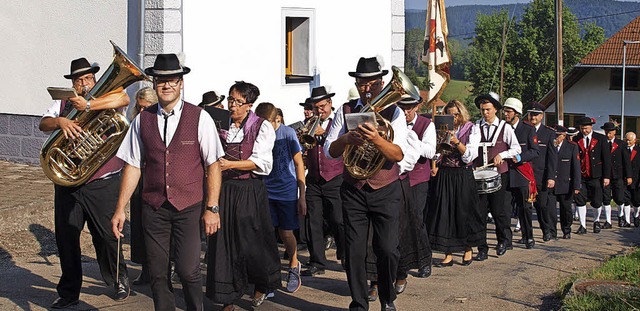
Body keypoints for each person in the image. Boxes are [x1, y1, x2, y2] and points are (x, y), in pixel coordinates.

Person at [111, 53, 224, 311]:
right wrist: (120, 209)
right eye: (161, 80)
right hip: (154, 208)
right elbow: (132, 165)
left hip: (189, 207)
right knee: (158, 274)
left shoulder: (200, 117)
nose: (167, 85)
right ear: (154, 83)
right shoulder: (142, 120)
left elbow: (213, 165)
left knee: (188, 270)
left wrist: (212, 207)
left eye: (172, 80)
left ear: (181, 83)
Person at [39, 57, 131, 309]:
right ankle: (69, 292)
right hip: (69, 184)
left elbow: (124, 99)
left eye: (88, 78)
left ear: (94, 78)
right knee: (67, 238)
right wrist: (61, 122)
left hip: (102, 180)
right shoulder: (62, 102)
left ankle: (118, 278)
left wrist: (90, 104)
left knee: (108, 235)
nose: (84, 83)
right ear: (73, 83)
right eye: (79, 80)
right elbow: (43, 123)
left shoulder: (108, 95)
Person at [325, 56, 408, 311]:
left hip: (385, 189)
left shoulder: (395, 112)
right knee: (354, 250)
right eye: (362, 83)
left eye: (372, 83)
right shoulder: (346, 109)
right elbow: (330, 149)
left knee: (387, 249)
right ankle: (359, 303)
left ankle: (387, 298)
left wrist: (377, 140)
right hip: (353, 189)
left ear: (382, 82)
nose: (367, 88)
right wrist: (347, 140)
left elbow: (398, 154)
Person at [206, 81, 281, 311]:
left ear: (249, 105)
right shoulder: (221, 123)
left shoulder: (261, 126)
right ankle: (228, 297)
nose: (232, 106)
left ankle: (261, 283)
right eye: (230, 99)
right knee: (224, 243)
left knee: (252, 242)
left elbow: (262, 163)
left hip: (249, 189)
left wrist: (231, 164)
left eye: (238, 102)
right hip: (225, 189)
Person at [427, 99, 483, 266]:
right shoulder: (442, 128)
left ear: (461, 114)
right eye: (450, 114)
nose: (454, 117)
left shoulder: (472, 129)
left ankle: (467, 248)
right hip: (445, 174)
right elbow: (436, 154)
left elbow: (470, 156)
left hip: (463, 174)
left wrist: (456, 142)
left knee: (463, 211)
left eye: (456, 114)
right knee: (445, 212)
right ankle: (448, 252)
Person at [259, 103, 307, 293]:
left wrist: (301, 195)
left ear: (275, 120)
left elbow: (298, 163)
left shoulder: (287, 133)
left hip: (286, 191)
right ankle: (271, 276)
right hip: (266, 190)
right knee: (267, 234)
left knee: (286, 233)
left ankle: (294, 263)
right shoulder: (259, 133)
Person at [299, 86, 346, 277]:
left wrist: (324, 134)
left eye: (322, 106)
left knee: (338, 219)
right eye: (316, 107)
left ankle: (345, 255)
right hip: (315, 179)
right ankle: (317, 261)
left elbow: (340, 143)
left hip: (335, 177)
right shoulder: (308, 123)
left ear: (330, 104)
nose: (320, 110)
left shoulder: (338, 122)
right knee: (313, 221)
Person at [394, 92, 436, 292]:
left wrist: (412, 138)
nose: (405, 112)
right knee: (400, 224)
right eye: (402, 107)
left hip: (419, 179)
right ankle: (401, 261)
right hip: (399, 178)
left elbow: (430, 152)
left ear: (417, 107)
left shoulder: (427, 125)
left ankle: (425, 260)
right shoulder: (395, 122)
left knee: (417, 220)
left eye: (409, 108)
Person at [473, 92, 521, 261]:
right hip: (480, 175)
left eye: (487, 109)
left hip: (499, 173)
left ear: (495, 110)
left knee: (499, 211)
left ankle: (503, 241)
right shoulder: (476, 126)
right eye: (482, 110)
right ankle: (482, 247)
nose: (485, 113)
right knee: (480, 213)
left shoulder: (505, 127)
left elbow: (516, 148)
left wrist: (503, 154)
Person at [128, 86, 158, 286]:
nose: (141, 112)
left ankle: (163, 268)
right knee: (140, 225)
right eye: (139, 107)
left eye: (146, 107)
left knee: (156, 226)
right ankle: (146, 269)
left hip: (155, 177)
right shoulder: (135, 124)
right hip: (139, 178)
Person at [503, 98, 539, 249]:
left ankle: (528, 236)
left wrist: (520, 157)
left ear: (517, 113)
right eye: (504, 111)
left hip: (521, 173)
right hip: (505, 173)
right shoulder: (502, 127)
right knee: (504, 208)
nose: (505, 114)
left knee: (524, 207)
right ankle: (506, 240)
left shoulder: (528, 129)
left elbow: (534, 151)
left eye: (509, 111)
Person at [573, 116, 611, 234]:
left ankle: (596, 221)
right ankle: (582, 225)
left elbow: (606, 159)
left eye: (587, 128)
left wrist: (606, 176)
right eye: (582, 128)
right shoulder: (576, 139)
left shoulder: (601, 139)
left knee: (596, 200)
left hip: (596, 175)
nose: (584, 130)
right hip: (581, 175)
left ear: (591, 127)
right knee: (580, 200)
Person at [526, 103, 558, 241]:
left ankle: (546, 230)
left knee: (542, 206)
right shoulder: (524, 130)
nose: (533, 117)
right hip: (525, 174)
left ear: (542, 116)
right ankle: (527, 235)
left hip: (541, 176)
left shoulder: (549, 133)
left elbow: (552, 157)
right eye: (531, 114)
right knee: (525, 206)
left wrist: (551, 177)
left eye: (536, 114)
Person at [550, 125, 581, 239]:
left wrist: (576, 185)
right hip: (552, 183)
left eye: (558, 135)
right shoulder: (551, 146)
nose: (556, 138)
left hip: (565, 183)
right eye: (555, 135)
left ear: (564, 136)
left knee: (566, 209)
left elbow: (576, 167)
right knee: (551, 210)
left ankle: (566, 229)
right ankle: (552, 231)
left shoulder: (571, 147)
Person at [600, 122, 632, 229]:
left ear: (614, 132)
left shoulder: (621, 144)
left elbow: (627, 161)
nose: (607, 134)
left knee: (619, 198)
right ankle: (608, 221)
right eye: (606, 132)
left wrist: (629, 176)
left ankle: (620, 216)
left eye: (609, 132)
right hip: (606, 175)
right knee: (606, 198)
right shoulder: (602, 143)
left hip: (618, 175)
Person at [625, 132, 640, 227]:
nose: (627, 142)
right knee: (626, 200)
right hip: (625, 179)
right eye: (626, 140)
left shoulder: (638, 151)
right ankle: (627, 220)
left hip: (636, 179)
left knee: (636, 201)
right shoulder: (623, 150)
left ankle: (636, 215)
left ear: (635, 140)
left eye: (629, 140)